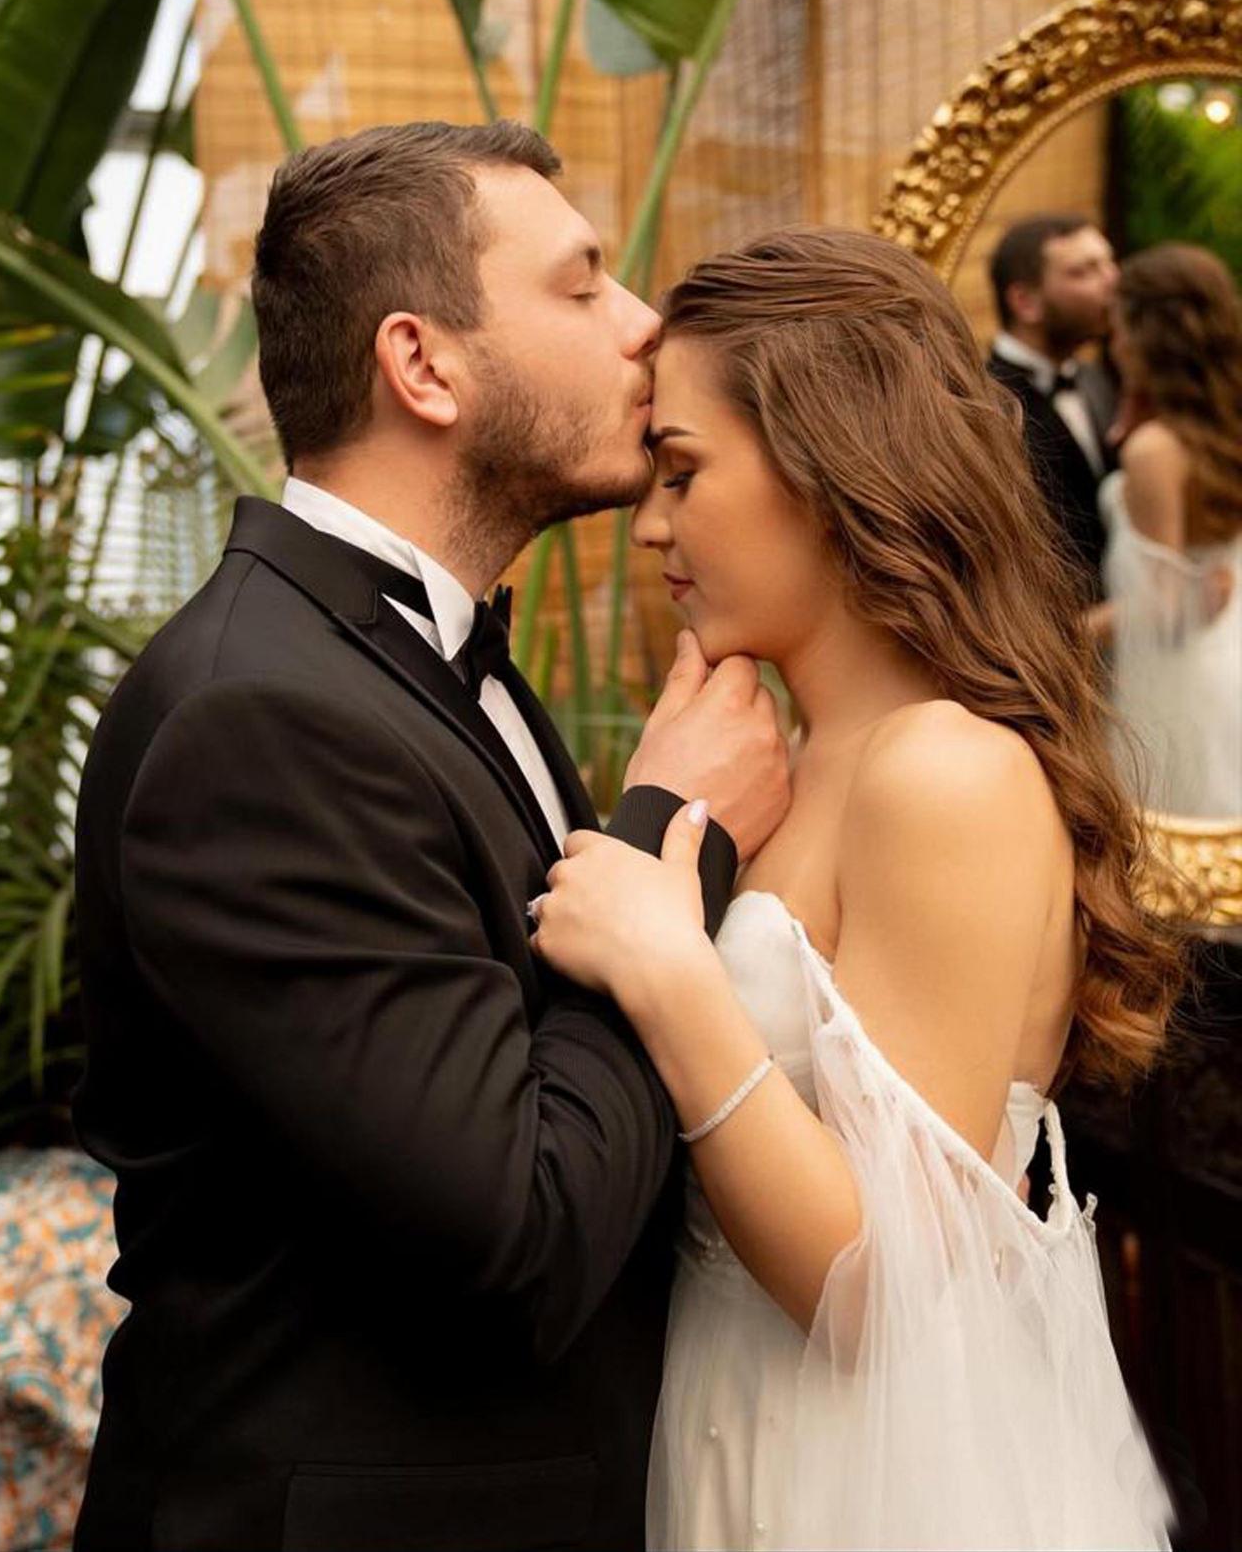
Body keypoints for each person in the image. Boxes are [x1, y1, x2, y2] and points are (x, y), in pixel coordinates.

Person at [70, 121, 791, 1552]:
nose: (642, 325)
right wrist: (672, 840)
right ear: (423, 364)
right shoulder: (257, 720)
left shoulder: (408, 658)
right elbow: (522, 1232)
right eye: (582, 286)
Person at [530, 227, 1182, 1550]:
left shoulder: (946, 773)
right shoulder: (798, 759)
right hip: (728, 1424)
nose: (649, 525)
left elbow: (885, 1289)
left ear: (829, 468)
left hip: (866, 1481)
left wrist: (663, 967)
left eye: (682, 471)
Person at [1097, 242, 1242, 819]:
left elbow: (1167, 606)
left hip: (1183, 681)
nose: (1112, 345)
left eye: (1116, 328)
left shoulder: (1155, 451)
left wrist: (1065, 636)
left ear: (1142, 336)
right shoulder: (1222, 428)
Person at [987, 215, 1120, 600]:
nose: (1113, 280)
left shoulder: (1097, 378)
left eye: (1108, 263)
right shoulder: (984, 402)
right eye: (1084, 271)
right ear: (1025, 302)